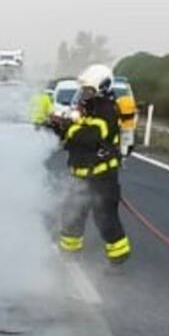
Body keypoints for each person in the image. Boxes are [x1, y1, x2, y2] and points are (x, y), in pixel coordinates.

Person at [57, 64, 131, 264]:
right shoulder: (87, 109)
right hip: (80, 176)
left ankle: (118, 261)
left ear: (102, 88)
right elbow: (72, 137)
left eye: (89, 90)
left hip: (101, 178)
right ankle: (68, 258)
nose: (84, 94)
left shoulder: (107, 110)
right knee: (72, 217)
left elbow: (89, 136)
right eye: (84, 90)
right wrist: (62, 128)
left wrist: (70, 130)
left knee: (106, 220)